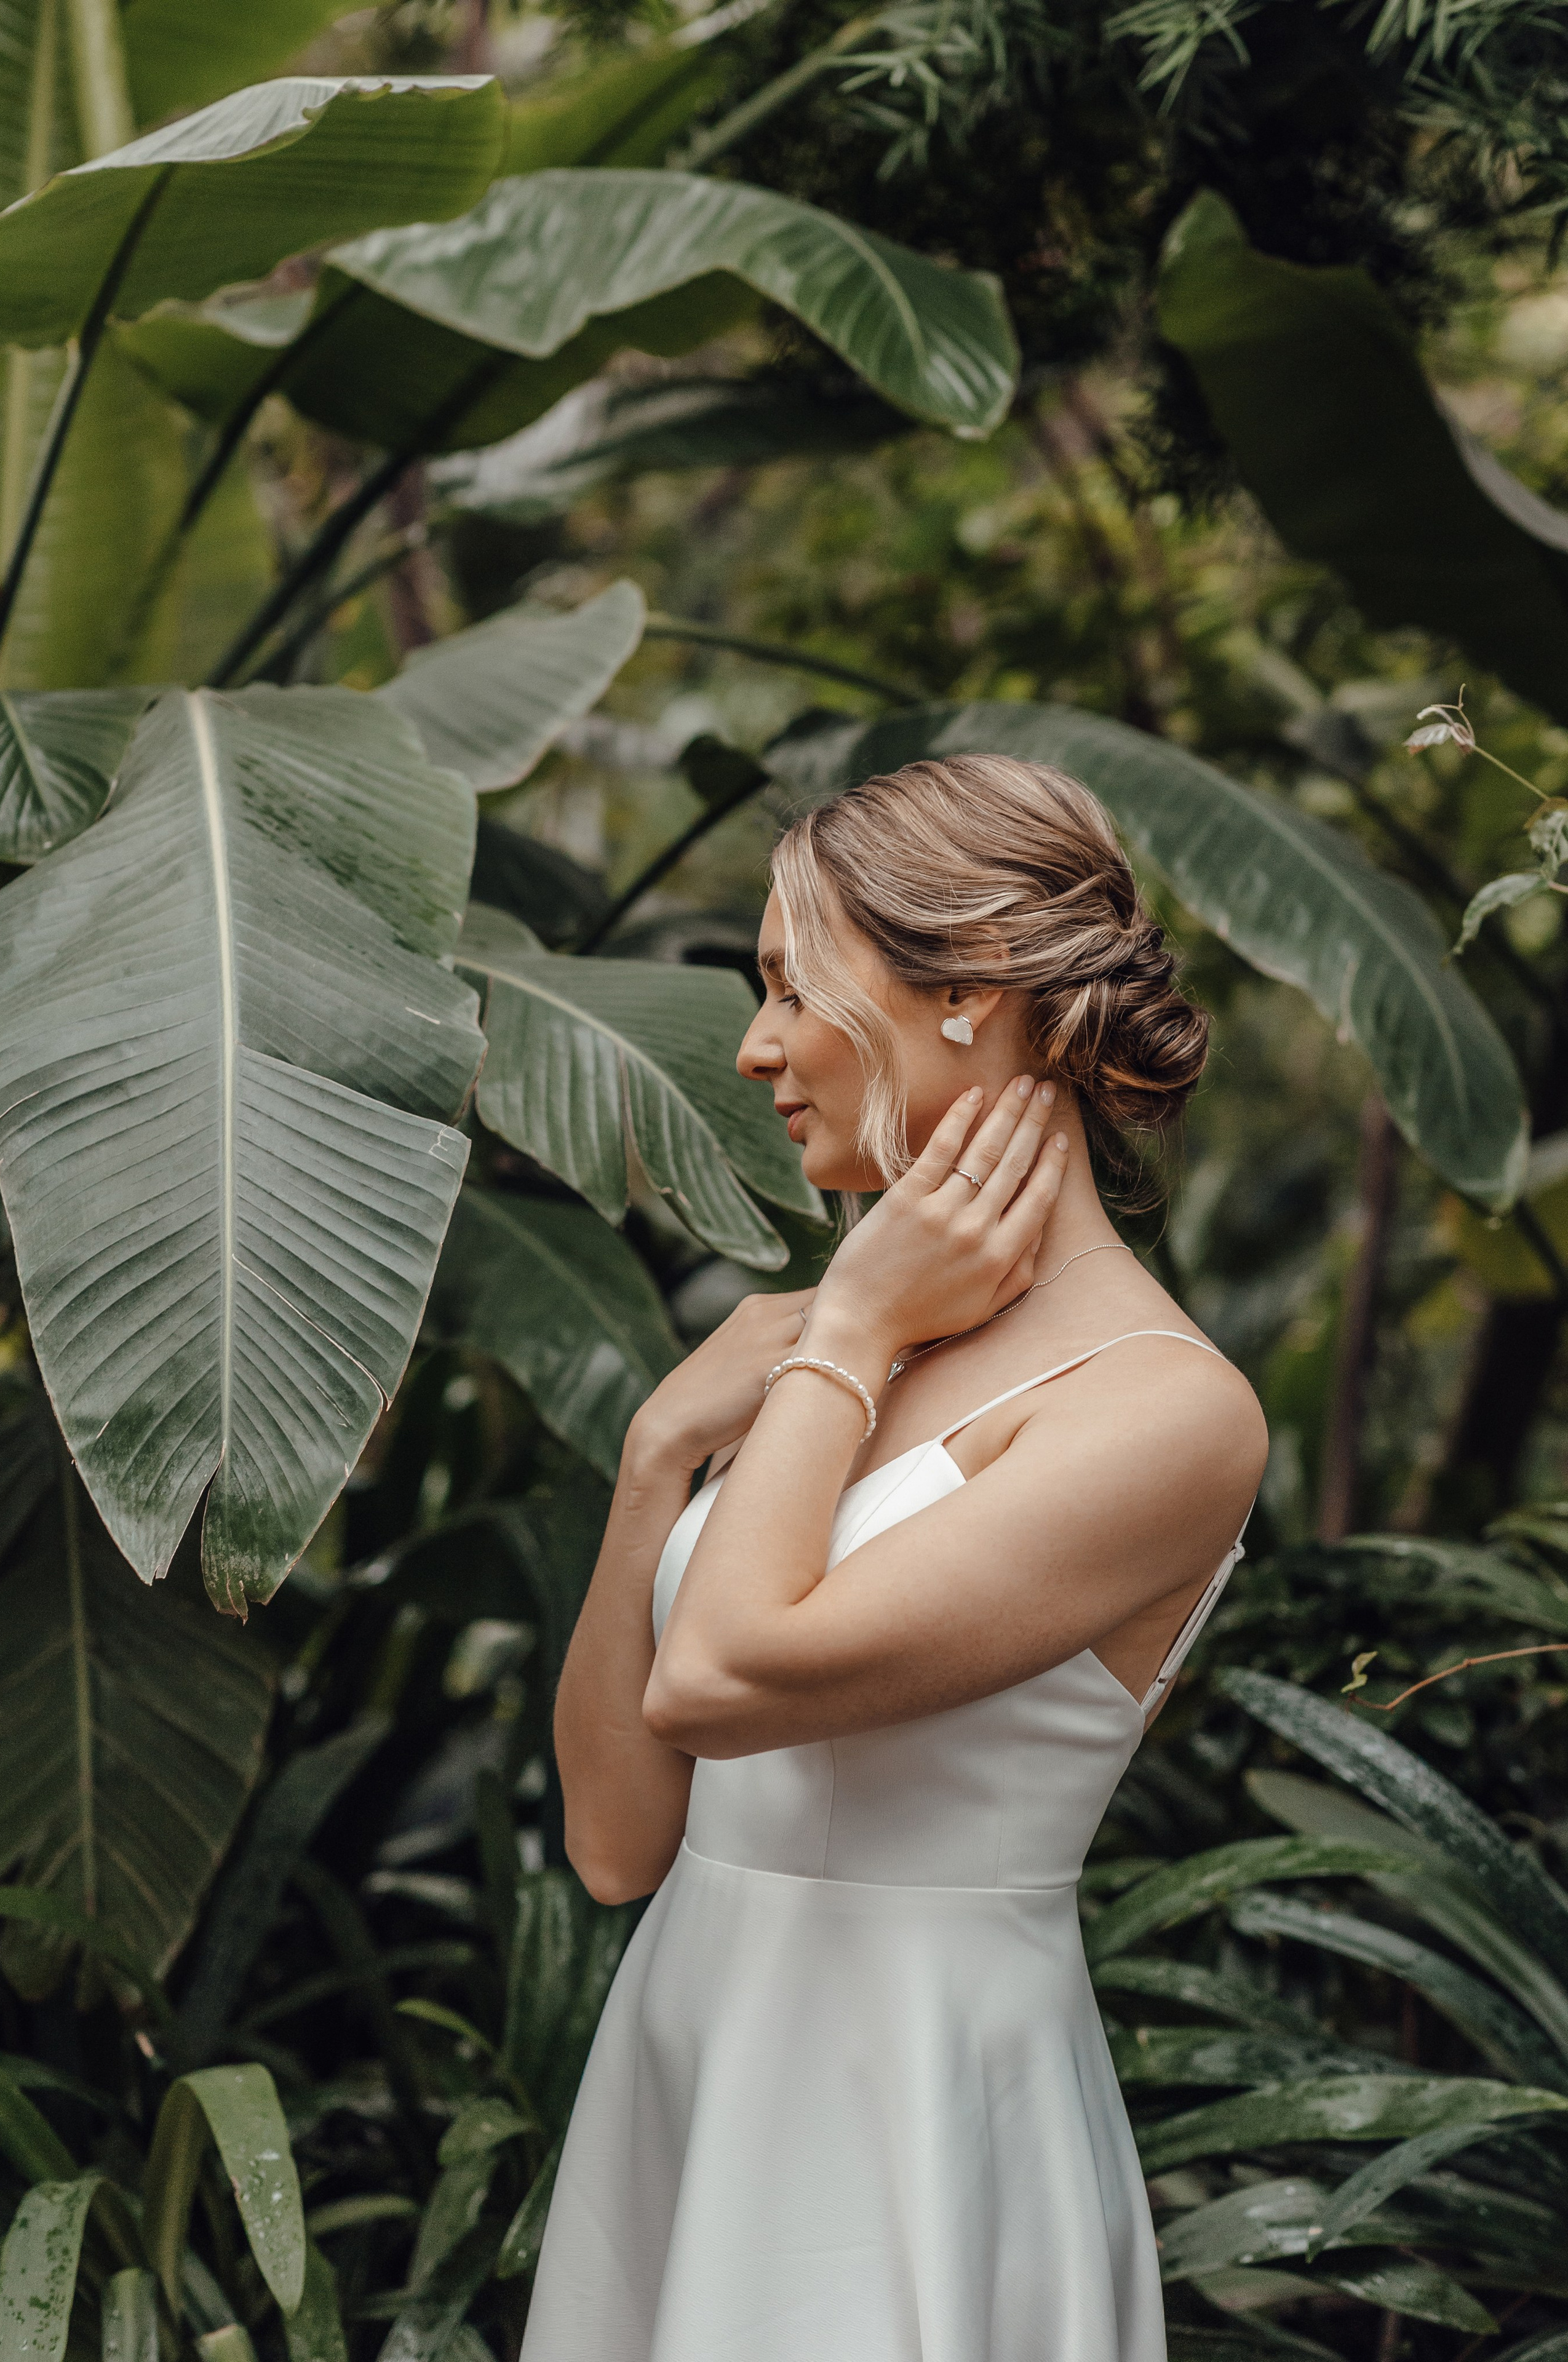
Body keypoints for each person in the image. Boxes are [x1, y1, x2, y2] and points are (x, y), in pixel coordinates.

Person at [520, 753, 1268, 2362]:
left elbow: (722, 1680)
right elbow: (615, 1845)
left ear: (968, 992)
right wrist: (658, 1459)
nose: (754, 1047)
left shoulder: (1165, 1411)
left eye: (794, 987)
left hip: (907, 2098)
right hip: (695, 2044)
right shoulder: (823, 1361)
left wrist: (849, 1330)